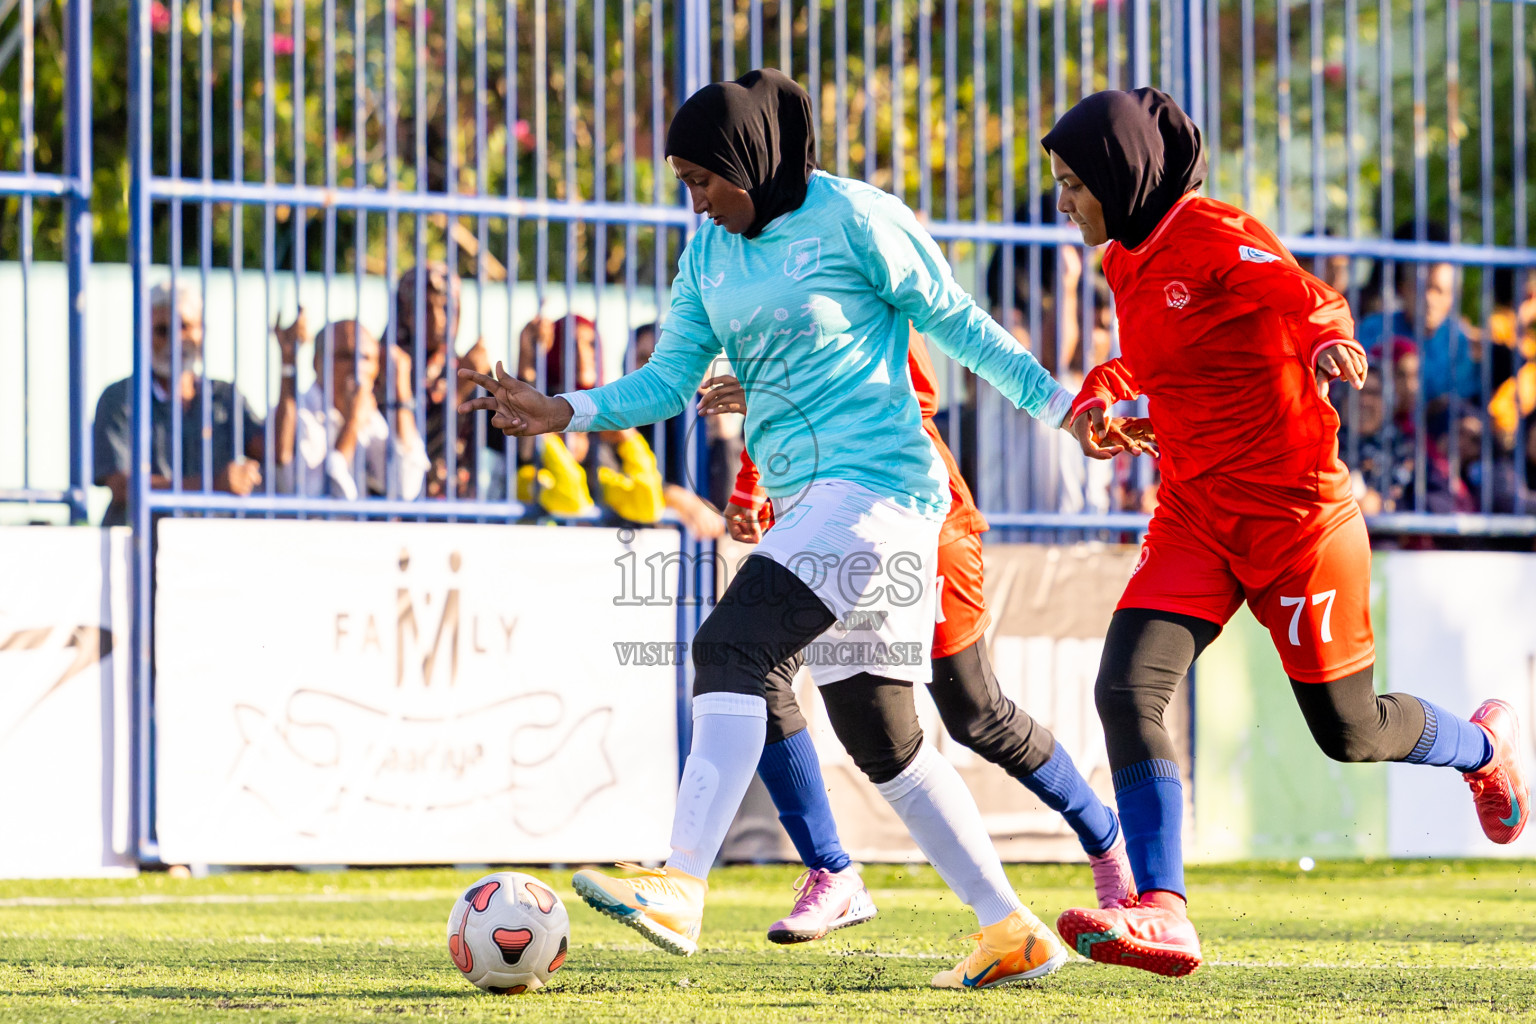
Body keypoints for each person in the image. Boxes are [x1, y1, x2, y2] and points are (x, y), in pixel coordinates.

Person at [461, 68, 1078, 988]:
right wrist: (564, 408)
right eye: (684, 184)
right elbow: (669, 381)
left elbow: (960, 324)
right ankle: (1011, 930)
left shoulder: (856, 216)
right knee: (884, 738)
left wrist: (1063, 407)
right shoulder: (707, 254)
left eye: (704, 178)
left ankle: (680, 881)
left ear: (752, 157)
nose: (696, 201)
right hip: (812, 502)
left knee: (732, 647)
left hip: (883, 489)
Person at [1042, 87, 1528, 978]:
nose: (1063, 201)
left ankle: (1486, 749)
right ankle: (1164, 910)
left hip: (1299, 522)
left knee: (1349, 732)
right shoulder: (1126, 257)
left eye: (1073, 183)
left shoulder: (1211, 229)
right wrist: (1103, 395)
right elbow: (1155, 360)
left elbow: (1299, 293)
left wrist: (1325, 340)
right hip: (1194, 514)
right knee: (1128, 689)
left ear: (1121, 174)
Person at [697, 329, 1146, 945]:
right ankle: (830, 870)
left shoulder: (864, 259)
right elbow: (789, 418)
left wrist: (772, 389)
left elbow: (910, 400)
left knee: (976, 715)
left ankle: (1104, 840)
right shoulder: (772, 275)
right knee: (755, 667)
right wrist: (752, 482)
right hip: (817, 519)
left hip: (915, 519)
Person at [93, 281, 265, 525]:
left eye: (184, 327)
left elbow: (275, 453)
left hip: (210, 546)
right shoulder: (120, 398)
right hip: (140, 547)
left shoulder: (225, 397)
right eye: (163, 330)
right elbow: (123, 486)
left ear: (202, 332)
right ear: (144, 335)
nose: (176, 340)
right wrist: (212, 485)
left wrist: (288, 366)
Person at [510, 314, 670, 526]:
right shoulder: (531, 468)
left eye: (591, 345)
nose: (583, 354)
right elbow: (571, 497)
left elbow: (648, 505)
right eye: (570, 345)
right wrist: (549, 438)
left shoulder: (599, 457)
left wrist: (629, 440)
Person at [273, 318, 430, 501]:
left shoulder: (371, 416)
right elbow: (319, 501)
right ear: (317, 362)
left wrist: (401, 388)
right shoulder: (299, 416)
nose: (356, 368)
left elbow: (406, 487)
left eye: (366, 358)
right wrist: (352, 425)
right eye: (345, 356)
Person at [1357, 221, 1480, 405]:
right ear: (1402, 289)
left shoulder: (1458, 339)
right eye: (1419, 288)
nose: (1429, 300)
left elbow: (1461, 401)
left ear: (1453, 296)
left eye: (1439, 291)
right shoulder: (1373, 329)